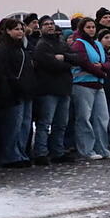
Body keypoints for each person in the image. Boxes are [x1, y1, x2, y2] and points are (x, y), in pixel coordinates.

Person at [32, 16, 77, 165]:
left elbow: (76, 59)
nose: (50, 26)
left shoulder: (61, 42)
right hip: (47, 89)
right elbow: (49, 64)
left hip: (64, 88)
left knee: (61, 123)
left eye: (51, 24)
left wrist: (63, 58)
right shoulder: (41, 45)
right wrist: (65, 62)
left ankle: (57, 151)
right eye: (46, 24)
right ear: (40, 27)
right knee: (45, 123)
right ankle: (41, 153)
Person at [69, 17, 110, 160]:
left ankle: (102, 148)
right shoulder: (78, 44)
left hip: (98, 84)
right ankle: (86, 150)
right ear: (82, 29)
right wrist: (102, 72)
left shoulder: (97, 44)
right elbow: (84, 63)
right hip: (83, 85)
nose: (91, 29)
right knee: (84, 118)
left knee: (102, 118)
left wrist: (102, 67)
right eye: (88, 27)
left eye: (93, 27)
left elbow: (107, 62)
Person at [0, 18, 36, 168]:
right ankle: (10, 155)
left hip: (26, 91)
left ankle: (20, 152)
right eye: (16, 29)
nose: (20, 32)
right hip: (13, 93)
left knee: (24, 125)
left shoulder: (22, 48)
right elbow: (4, 72)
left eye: (21, 29)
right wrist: (15, 86)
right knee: (13, 126)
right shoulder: (4, 49)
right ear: (8, 31)